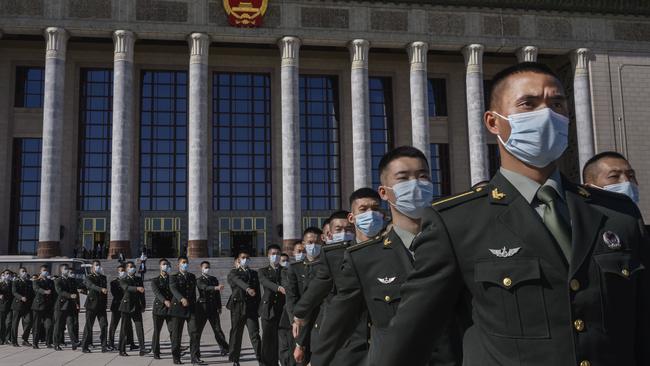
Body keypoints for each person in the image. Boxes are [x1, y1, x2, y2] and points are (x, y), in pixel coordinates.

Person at [374, 62, 650, 366]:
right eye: (528, 104)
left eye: (557, 104)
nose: (547, 115)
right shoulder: (457, 222)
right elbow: (410, 338)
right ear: (494, 123)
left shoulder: (616, 213)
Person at [292, 209, 369, 366]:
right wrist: (299, 317)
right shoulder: (328, 258)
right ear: (327, 235)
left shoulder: (368, 251)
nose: (344, 233)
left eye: (348, 229)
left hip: (365, 331)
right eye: (338, 229)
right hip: (332, 332)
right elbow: (316, 291)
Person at [285, 227, 322, 365]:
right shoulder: (295, 268)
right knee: (299, 360)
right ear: (304, 243)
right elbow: (291, 296)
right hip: (301, 320)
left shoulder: (327, 265)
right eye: (310, 242)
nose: (313, 245)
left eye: (317, 242)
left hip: (322, 319)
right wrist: (295, 320)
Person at [227, 251, 262, 366]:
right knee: (237, 334)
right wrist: (247, 288)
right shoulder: (233, 272)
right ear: (238, 259)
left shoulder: (254, 273)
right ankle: (235, 359)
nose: (245, 259)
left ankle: (261, 359)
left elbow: (258, 292)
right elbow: (238, 281)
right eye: (243, 257)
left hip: (251, 308)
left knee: (255, 334)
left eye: (247, 257)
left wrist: (259, 308)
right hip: (238, 307)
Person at [169, 255, 202, 365]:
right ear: (178, 264)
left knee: (194, 332)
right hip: (178, 309)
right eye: (183, 262)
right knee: (176, 335)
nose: (185, 264)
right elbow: (173, 289)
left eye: (186, 262)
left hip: (191, 308)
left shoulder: (192, 276)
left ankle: (195, 357)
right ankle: (176, 357)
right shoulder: (173, 277)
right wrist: (181, 298)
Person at [258, 244, 287, 366]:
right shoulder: (263, 271)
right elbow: (265, 282)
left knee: (282, 340)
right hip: (268, 309)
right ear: (268, 255)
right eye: (273, 254)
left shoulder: (285, 270)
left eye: (277, 254)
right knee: (268, 340)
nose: (275, 256)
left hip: (282, 309)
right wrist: (279, 288)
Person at [196, 261, 229, 356]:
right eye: (205, 267)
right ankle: (196, 351)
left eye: (208, 267)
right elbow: (204, 288)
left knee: (217, 329)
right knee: (198, 330)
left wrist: (219, 306)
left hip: (213, 307)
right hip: (202, 308)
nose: (207, 269)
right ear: (201, 268)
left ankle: (224, 348)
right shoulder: (199, 280)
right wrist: (215, 288)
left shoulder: (213, 279)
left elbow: (217, 295)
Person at [118, 261, 149, 357]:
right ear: (127, 269)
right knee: (124, 329)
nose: (132, 268)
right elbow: (126, 287)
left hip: (136, 306)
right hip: (126, 306)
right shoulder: (123, 279)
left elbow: (142, 293)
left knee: (139, 327)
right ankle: (122, 349)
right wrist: (137, 288)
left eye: (133, 267)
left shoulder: (139, 279)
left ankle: (142, 348)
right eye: (130, 267)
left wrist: (143, 305)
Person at [81, 260, 109, 353]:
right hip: (91, 305)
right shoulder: (88, 277)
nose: (98, 267)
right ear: (92, 267)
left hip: (101, 305)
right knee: (89, 326)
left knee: (104, 325)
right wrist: (101, 289)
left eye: (99, 265)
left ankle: (104, 345)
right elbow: (91, 285)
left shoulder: (103, 277)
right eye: (96, 265)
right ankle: (84, 346)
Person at [107, 264, 135, 351]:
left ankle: (131, 343)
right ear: (117, 272)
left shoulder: (128, 281)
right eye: (120, 271)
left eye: (123, 270)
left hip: (126, 306)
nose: (122, 272)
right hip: (117, 306)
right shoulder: (114, 282)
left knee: (128, 325)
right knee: (113, 325)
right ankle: (110, 343)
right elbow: (115, 294)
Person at [150, 258, 174, 360]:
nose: (166, 266)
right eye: (164, 264)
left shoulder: (172, 279)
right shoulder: (155, 280)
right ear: (160, 266)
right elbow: (157, 293)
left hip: (170, 309)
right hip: (159, 309)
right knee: (157, 331)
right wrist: (165, 301)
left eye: (167, 264)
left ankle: (175, 350)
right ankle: (156, 351)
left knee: (173, 330)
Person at [53, 264, 80, 350]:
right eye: (65, 269)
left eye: (67, 269)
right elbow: (60, 291)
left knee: (71, 325)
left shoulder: (71, 280)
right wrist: (70, 295)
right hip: (60, 306)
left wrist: (76, 302)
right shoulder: (58, 280)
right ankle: (56, 344)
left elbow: (75, 291)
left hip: (69, 306)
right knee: (58, 326)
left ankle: (74, 342)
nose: (67, 270)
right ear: (61, 270)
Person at [31, 265, 54, 349]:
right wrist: (45, 291)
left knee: (49, 325)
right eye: (44, 270)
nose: (46, 272)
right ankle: (35, 343)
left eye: (47, 270)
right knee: (36, 326)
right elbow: (36, 289)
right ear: (40, 271)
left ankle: (48, 342)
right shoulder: (36, 281)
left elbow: (54, 293)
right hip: (38, 306)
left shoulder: (50, 281)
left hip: (48, 307)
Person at [277, 253, 294, 366]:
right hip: (282, 314)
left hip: (294, 314)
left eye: (287, 260)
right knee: (284, 345)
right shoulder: (280, 273)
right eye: (283, 260)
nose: (285, 262)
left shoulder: (294, 271)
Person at [11, 267, 34, 347]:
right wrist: (21, 297)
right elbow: (14, 292)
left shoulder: (29, 282)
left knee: (29, 321)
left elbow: (31, 293)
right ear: (19, 273)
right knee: (15, 324)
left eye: (25, 271)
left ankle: (25, 339)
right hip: (17, 306)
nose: (24, 273)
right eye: (22, 271)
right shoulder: (15, 282)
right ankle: (14, 341)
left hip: (27, 306)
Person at [0, 270, 13, 345]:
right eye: (6, 274)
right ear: (4, 275)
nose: (8, 275)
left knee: (8, 323)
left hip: (10, 306)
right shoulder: (1, 284)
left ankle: (7, 338)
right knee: (1, 324)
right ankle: (1, 339)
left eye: (9, 274)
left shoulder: (12, 284)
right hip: (2, 306)